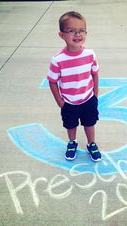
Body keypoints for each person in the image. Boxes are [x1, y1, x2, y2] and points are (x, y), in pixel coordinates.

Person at [47, 11, 102, 162]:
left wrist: (95, 96)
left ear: (86, 32)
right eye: (71, 31)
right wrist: (60, 101)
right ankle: (72, 143)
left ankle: (91, 143)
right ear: (61, 35)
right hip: (69, 102)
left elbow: (95, 74)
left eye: (81, 30)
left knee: (89, 123)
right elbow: (52, 81)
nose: (77, 34)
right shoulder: (58, 60)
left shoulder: (90, 54)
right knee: (70, 125)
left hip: (88, 99)